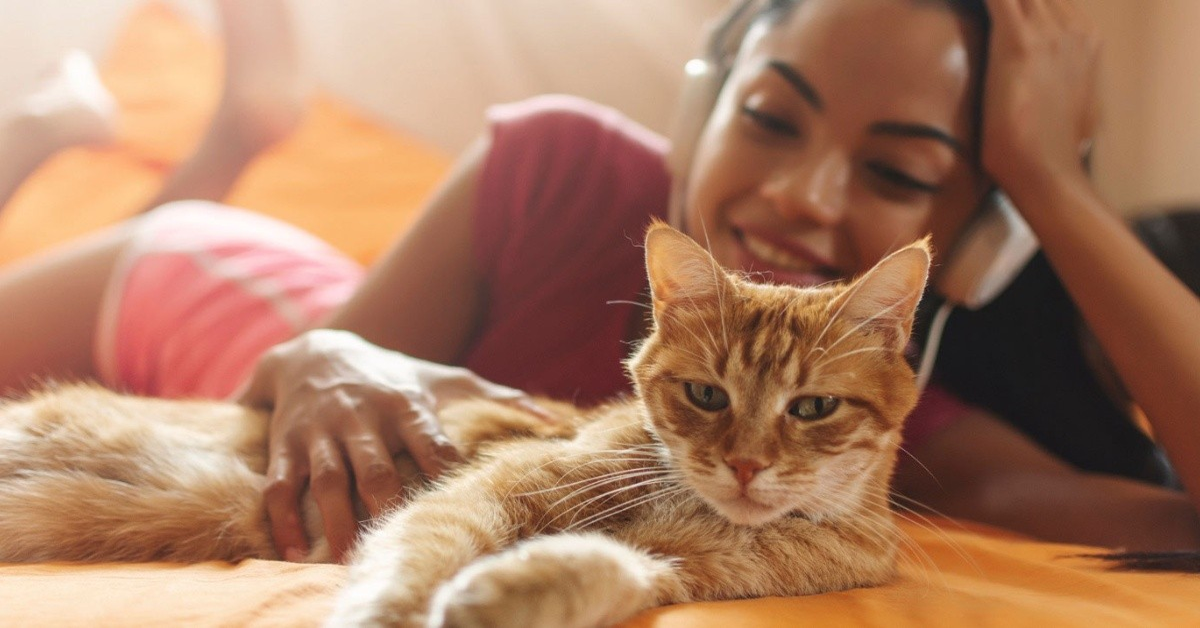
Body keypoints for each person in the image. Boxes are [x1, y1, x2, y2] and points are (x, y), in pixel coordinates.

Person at [2, 0, 1199, 566]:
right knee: (186, 268)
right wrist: (334, 354)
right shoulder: (563, 165)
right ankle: (142, 130)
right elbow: (277, 405)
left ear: (970, 242)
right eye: (773, 120)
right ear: (700, 107)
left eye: (894, 170)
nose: (803, 196)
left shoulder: (899, 425)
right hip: (214, 288)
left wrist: (1051, 186)